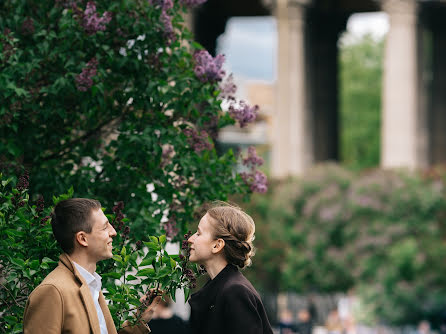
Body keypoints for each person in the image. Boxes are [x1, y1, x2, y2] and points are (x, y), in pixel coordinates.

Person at [23, 198, 160, 334]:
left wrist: (138, 322)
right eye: (105, 227)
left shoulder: (91, 285)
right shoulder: (52, 291)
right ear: (83, 239)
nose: (113, 232)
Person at [187, 202, 274, 334]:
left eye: (199, 233)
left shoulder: (235, 292)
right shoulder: (220, 289)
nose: (190, 239)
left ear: (217, 245)